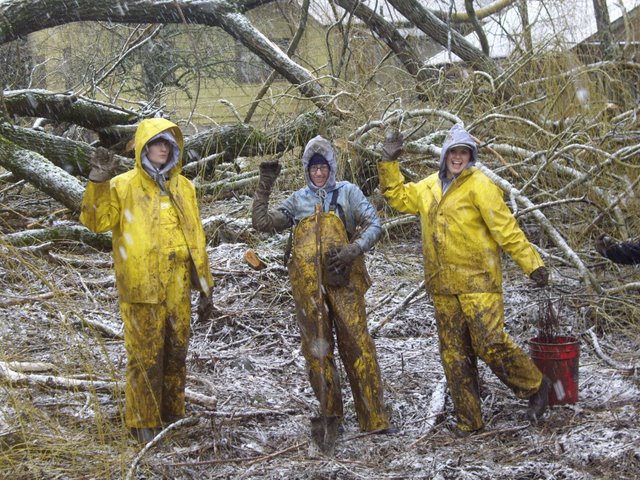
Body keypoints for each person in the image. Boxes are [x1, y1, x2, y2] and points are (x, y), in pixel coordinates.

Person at [377, 124, 551, 437]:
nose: (458, 158)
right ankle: (469, 420)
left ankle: (536, 386)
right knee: (454, 355)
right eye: (453, 152)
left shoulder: (481, 185)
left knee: (489, 343)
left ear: (471, 157)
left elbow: (506, 229)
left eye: (464, 153)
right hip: (443, 285)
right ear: (444, 155)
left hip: (478, 281)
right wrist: (389, 163)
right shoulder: (428, 187)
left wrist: (532, 264)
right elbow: (398, 197)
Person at [252, 135, 392, 453]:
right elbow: (261, 222)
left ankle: (374, 417)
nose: (319, 173)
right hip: (308, 287)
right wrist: (265, 184)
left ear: (332, 167)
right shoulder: (297, 201)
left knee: (357, 344)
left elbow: (374, 224)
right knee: (317, 350)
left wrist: (354, 248)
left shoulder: (349, 193)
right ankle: (331, 415)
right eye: (313, 168)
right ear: (307, 169)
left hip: (345, 281)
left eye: (323, 167)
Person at [80, 118, 214, 444]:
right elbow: (95, 221)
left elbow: (196, 238)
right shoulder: (123, 186)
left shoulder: (184, 187)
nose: (162, 148)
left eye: (167, 143)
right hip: (141, 284)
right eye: (156, 143)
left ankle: (171, 414)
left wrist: (205, 286)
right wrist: (98, 181)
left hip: (178, 284)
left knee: (176, 351)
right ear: (143, 147)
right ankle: (143, 422)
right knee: (145, 356)